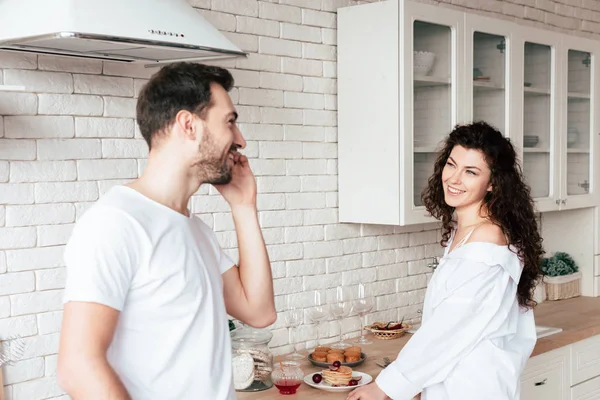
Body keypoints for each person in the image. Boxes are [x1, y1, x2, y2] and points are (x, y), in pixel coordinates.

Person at [57, 62, 277, 400]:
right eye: (230, 123)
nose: (240, 140)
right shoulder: (115, 223)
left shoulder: (196, 230)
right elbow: (78, 367)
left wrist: (244, 207)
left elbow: (259, 312)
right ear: (188, 125)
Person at [348, 121, 544, 400]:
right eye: (451, 165)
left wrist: (386, 386)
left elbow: (449, 330)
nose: (453, 178)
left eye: (471, 172)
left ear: (492, 183)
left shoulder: (487, 240)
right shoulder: (465, 229)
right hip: (456, 379)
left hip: (472, 387)